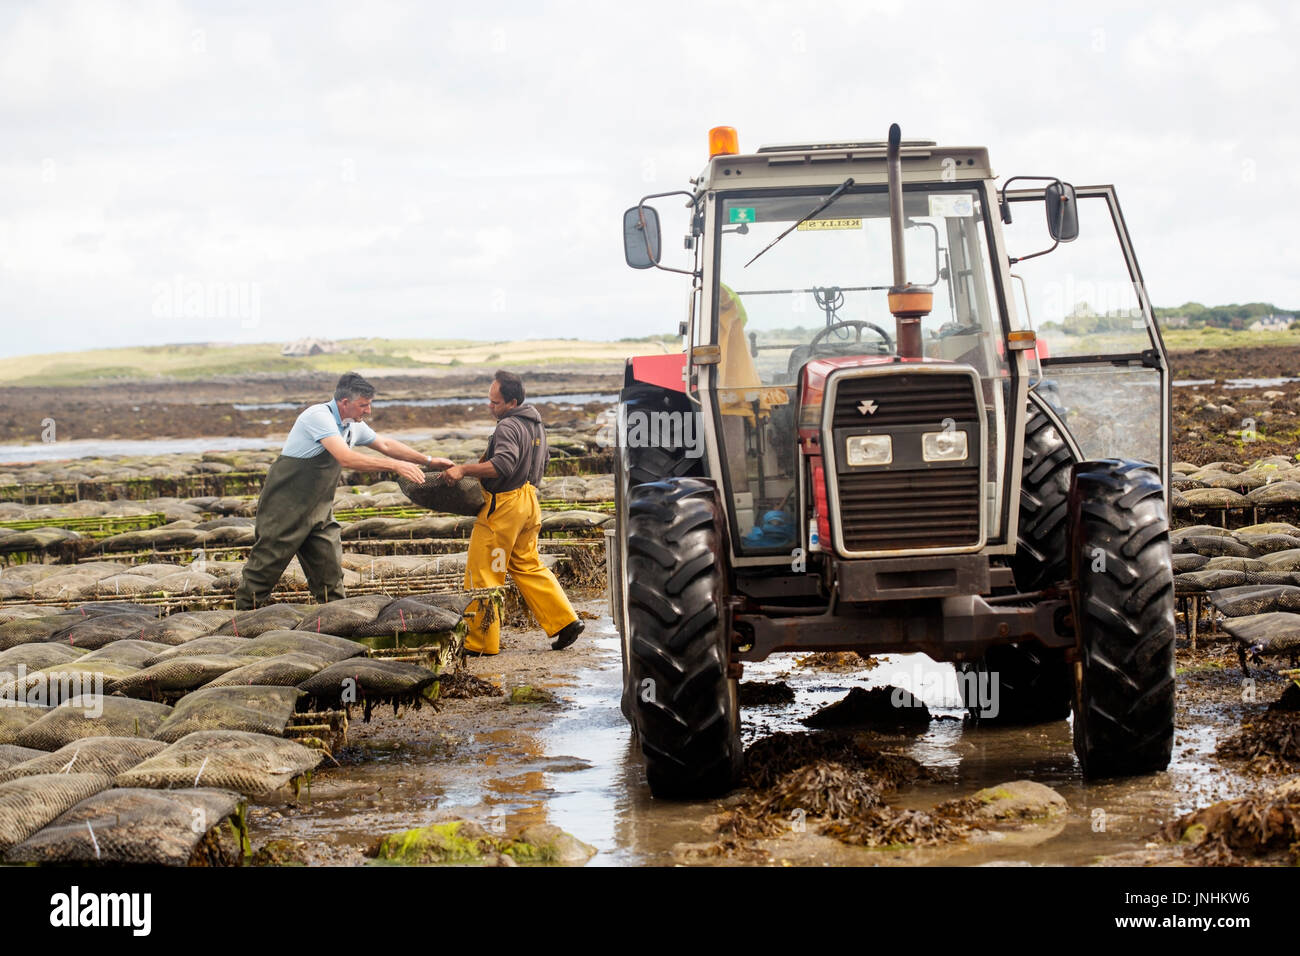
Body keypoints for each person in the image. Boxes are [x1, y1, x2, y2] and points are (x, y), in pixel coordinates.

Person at [234, 371, 453, 609]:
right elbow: (345, 458)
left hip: (318, 512)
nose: (368, 411)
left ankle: (335, 622)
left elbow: (386, 444)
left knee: (329, 573)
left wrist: (429, 460)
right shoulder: (318, 416)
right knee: (265, 568)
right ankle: (243, 620)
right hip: (284, 509)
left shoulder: (352, 426)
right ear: (345, 403)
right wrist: (396, 466)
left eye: (369, 405)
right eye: (364, 405)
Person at [443, 370, 583, 654]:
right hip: (530, 502)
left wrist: (464, 469)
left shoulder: (508, 426)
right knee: (527, 564)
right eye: (490, 401)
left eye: (495, 403)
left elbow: (502, 465)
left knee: (485, 571)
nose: (490, 406)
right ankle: (566, 621)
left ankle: (481, 642)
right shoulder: (536, 425)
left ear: (512, 402)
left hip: (505, 506)